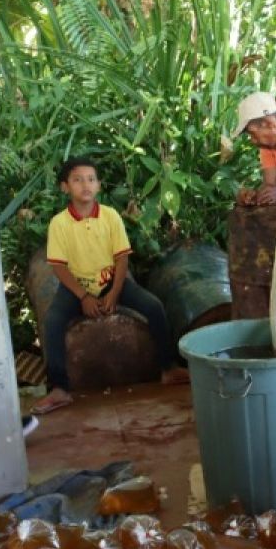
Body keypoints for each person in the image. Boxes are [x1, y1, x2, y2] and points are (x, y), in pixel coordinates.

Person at [32, 158, 188, 414]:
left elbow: (121, 258)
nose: (85, 185)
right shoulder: (59, 223)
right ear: (65, 187)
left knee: (154, 306)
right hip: (76, 287)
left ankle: (168, 368)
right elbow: (59, 267)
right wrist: (83, 296)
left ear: (99, 186)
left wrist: (114, 293)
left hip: (111, 282)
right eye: (78, 180)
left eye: (91, 179)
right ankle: (58, 388)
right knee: (53, 322)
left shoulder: (110, 216)